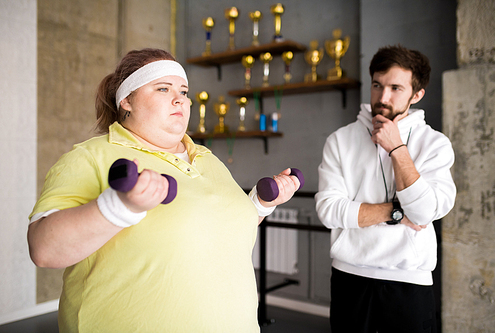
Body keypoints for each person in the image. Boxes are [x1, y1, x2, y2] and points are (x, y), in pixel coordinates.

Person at [28, 48, 301, 332]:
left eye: (184, 92)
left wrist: (260, 204)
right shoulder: (90, 156)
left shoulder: (207, 157)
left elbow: (220, 230)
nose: (179, 99)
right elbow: (43, 250)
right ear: (127, 101)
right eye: (163, 88)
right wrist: (120, 207)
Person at [315, 45, 456, 333]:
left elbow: (423, 212)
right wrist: (395, 213)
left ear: (416, 95)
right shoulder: (340, 140)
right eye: (377, 85)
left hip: (409, 282)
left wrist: (397, 148)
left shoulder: (435, 145)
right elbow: (328, 211)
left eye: (395, 88)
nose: (383, 97)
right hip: (349, 277)